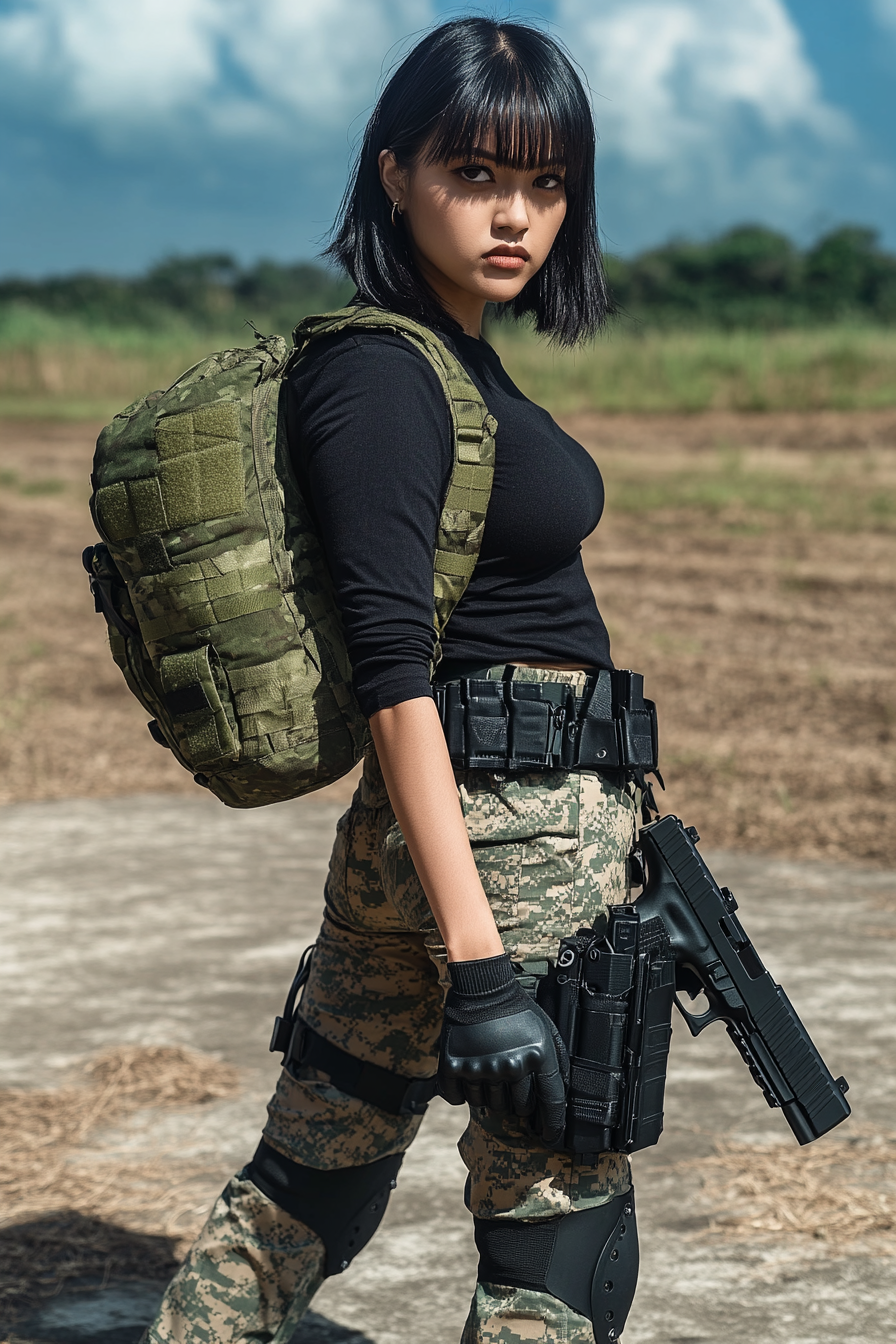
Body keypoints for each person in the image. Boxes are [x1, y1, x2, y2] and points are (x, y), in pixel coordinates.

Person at [146, 17, 647, 1344]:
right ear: (392, 175)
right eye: (477, 173)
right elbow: (393, 672)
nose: (517, 215)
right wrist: (481, 964)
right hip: (502, 856)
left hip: (445, 844)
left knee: (309, 1186)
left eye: (546, 185)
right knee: (562, 1229)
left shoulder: (451, 362)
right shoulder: (381, 373)